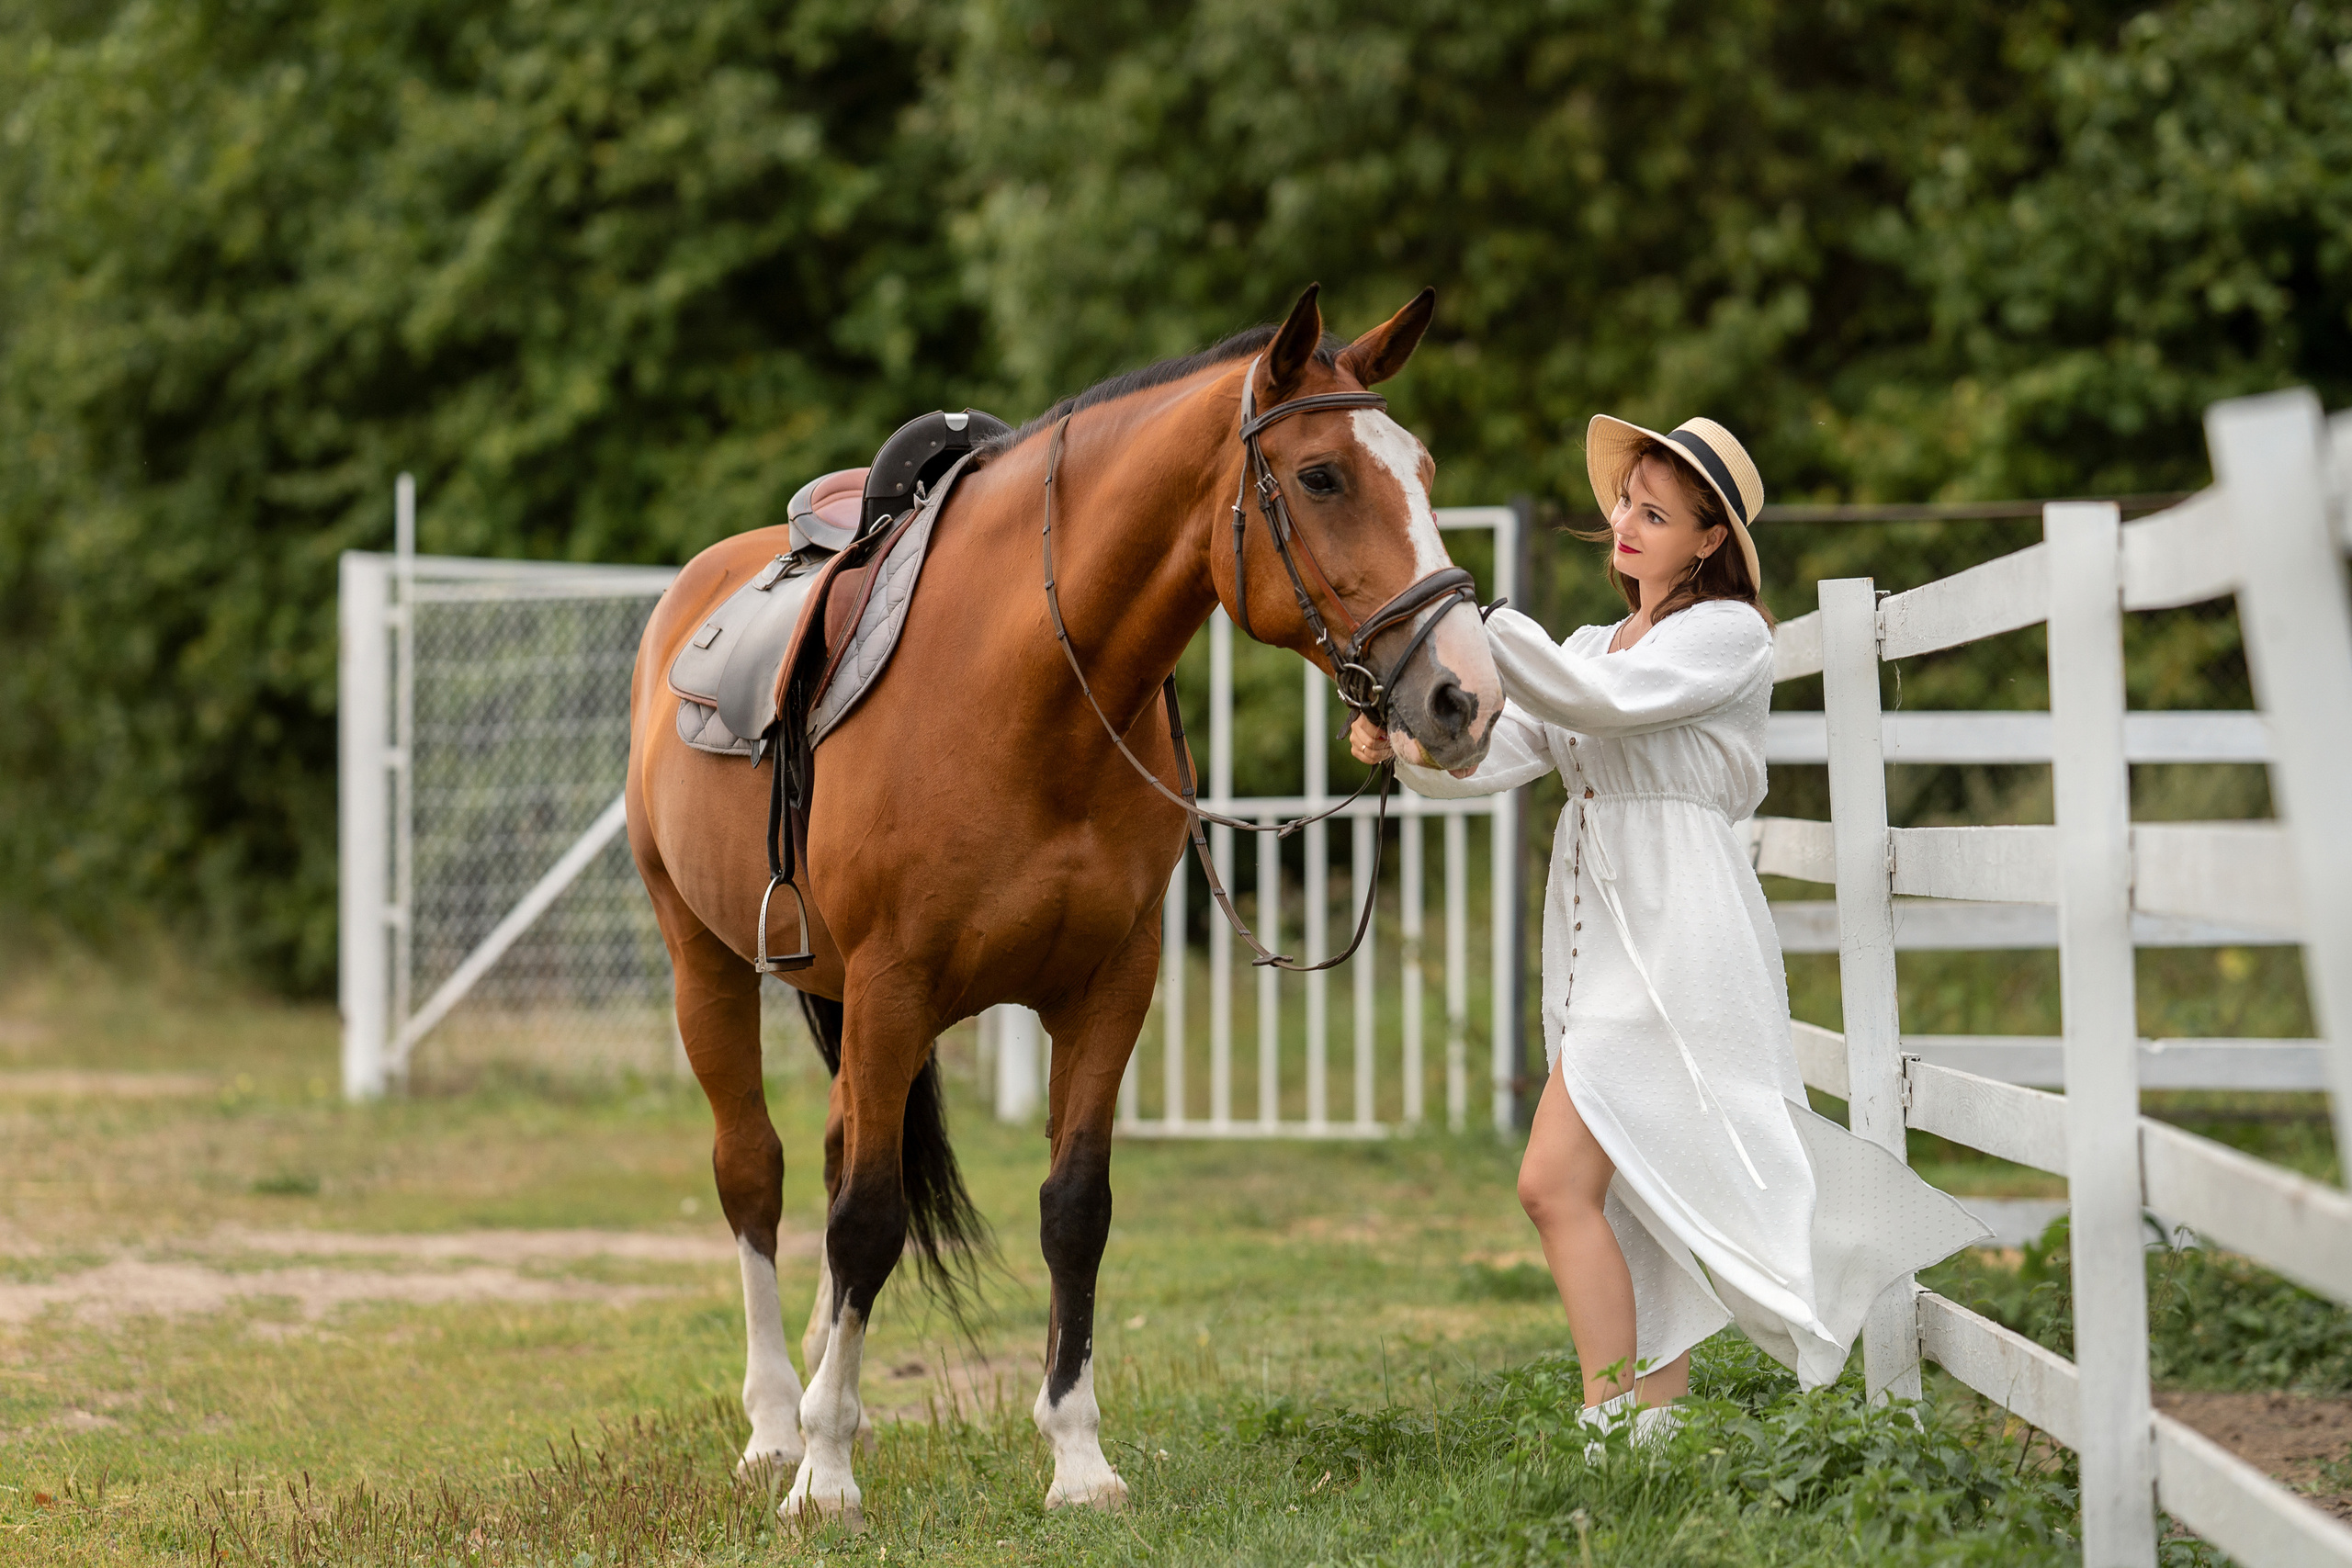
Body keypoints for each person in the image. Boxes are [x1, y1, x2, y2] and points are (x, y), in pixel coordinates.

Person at [1352, 415, 1986, 1448]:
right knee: (1610, 1193)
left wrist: (1475, 624)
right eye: (1623, 504)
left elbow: (1597, 707)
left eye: (1655, 513)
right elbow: (1495, 755)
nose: (1626, 525)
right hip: (1604, 931)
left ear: (1708, 541)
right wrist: (1411, 739)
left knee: (1555, 1182)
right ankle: (1646, 1423)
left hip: (1680, 927)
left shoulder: (1727, 637)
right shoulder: (1594, 645)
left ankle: (1618, 1423)